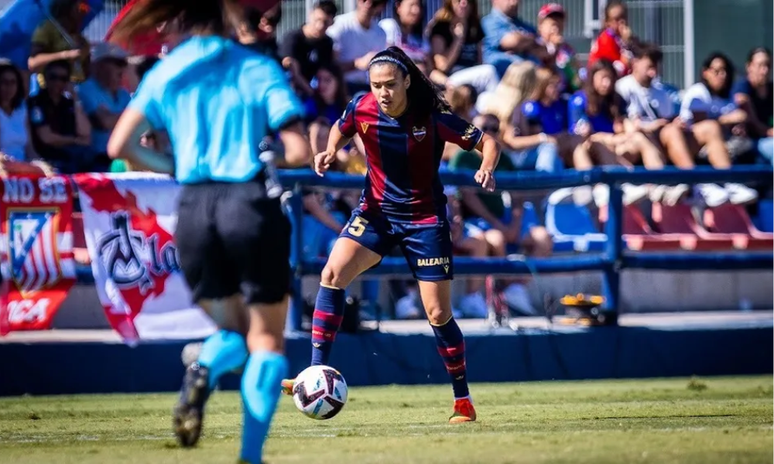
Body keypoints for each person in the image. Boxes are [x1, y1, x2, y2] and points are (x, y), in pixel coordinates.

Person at [105, 1, 310, 463]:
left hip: (194, 208)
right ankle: (249, 457)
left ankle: (203, 368)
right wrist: (267, 154)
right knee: (266, 342)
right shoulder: (256, 67)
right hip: (248, 203)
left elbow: (119, 146)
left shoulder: (167, 72)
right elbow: (298, 150)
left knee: (233, 334)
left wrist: (174, 166)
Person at [280, 46, 500, 423]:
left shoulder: (432, 118)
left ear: (407, 82)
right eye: (376, 85)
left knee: (437, 312)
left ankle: (462, 400)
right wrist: (330, 150)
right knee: (331, 275)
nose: (382, 92)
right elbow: (342, 126)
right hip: (376, 213)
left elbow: (487, 142)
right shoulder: (361, 106)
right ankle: (315, 372)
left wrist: (487, 167)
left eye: (390, 85)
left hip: (425, 220)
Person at [77, 43, 132, 172]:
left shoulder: (123, 93)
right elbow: (104, 122)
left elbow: (141, 120)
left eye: (124, 63)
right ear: (99, 65)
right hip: (97, 160)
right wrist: (129, 117)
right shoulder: (85, 90)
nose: (122, 69)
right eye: (117, 63)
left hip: (124, 158)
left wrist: (115, 117)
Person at [326, 0, 388, 95]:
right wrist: (356, 64)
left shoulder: (381, 33)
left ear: (381, 7)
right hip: (341, 86)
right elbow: (329, 66)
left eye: (374, 3)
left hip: (370, 87)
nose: (368, 5)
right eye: (364, 0)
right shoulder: (340, 25)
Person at [279, 0, 337, 97]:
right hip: (293, 91)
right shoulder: (293, 38)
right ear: (310, 15)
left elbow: (326, 71)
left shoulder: (327, 43)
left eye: (325, 22)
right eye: (317, 20)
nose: (320, 26)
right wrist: (310, 92)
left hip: (317, 92)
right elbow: (290, 69)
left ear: (332, 23)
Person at [28, 0, 91, 87]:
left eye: (87, 8)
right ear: (67, 7)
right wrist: (65, 55)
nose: (85, 12)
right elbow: (33, 63)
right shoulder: (47, 29)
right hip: (52, 89)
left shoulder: (81, 39)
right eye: (82, 7)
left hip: (77, 90)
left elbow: (88, 73)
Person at [732, 47, 773, 164]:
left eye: (768, 65)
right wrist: (768, 132)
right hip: (749, 142)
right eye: (760, 65)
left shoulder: (771, 90)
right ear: (749, 67)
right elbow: (751, 122)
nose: (764, 70)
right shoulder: (742, 88)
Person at [587, 0, 633, 76]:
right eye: (616, 19)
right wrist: (626, 46)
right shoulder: (606, 39)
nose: (622, 22)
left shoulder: (622, 38)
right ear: (608, 23)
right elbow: (616, 70)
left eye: (623, 17)